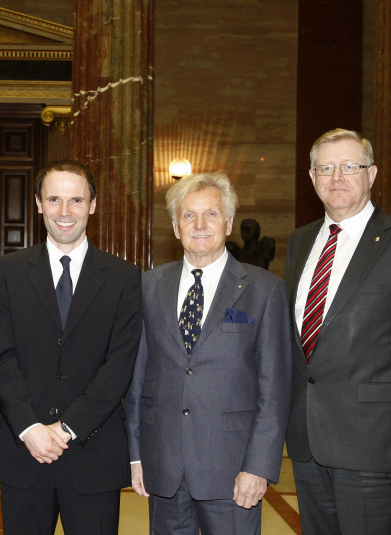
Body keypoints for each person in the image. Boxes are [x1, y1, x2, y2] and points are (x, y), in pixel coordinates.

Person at [285, 128, 391, 535]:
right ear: (313, 178)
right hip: (307, 442)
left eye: (350, 167)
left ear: (371, 175)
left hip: (376, 443)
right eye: (326, 168)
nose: (337, 177)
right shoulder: (299, 243)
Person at [125, 172, 292, 535]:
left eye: (211, 214)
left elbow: (275, 390)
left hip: (233, 470)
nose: (200, 224)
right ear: (175, 225)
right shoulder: (147, 286)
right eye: (189, 215)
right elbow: (136, 379)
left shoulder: (265, 290)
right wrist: (137, 454)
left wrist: (259, 466)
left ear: (229, 223)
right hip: (163, 465)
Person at [0, 160, 142, 535]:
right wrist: (29, 427)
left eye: (76, 200)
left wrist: (68, 428)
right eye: (54, 199)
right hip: (23, 450)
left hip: (93, 454)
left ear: (93, 204)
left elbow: (120, 366)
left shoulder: (123, 277)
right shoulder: (8, 270)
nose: (65, 212)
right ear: (38, 204)